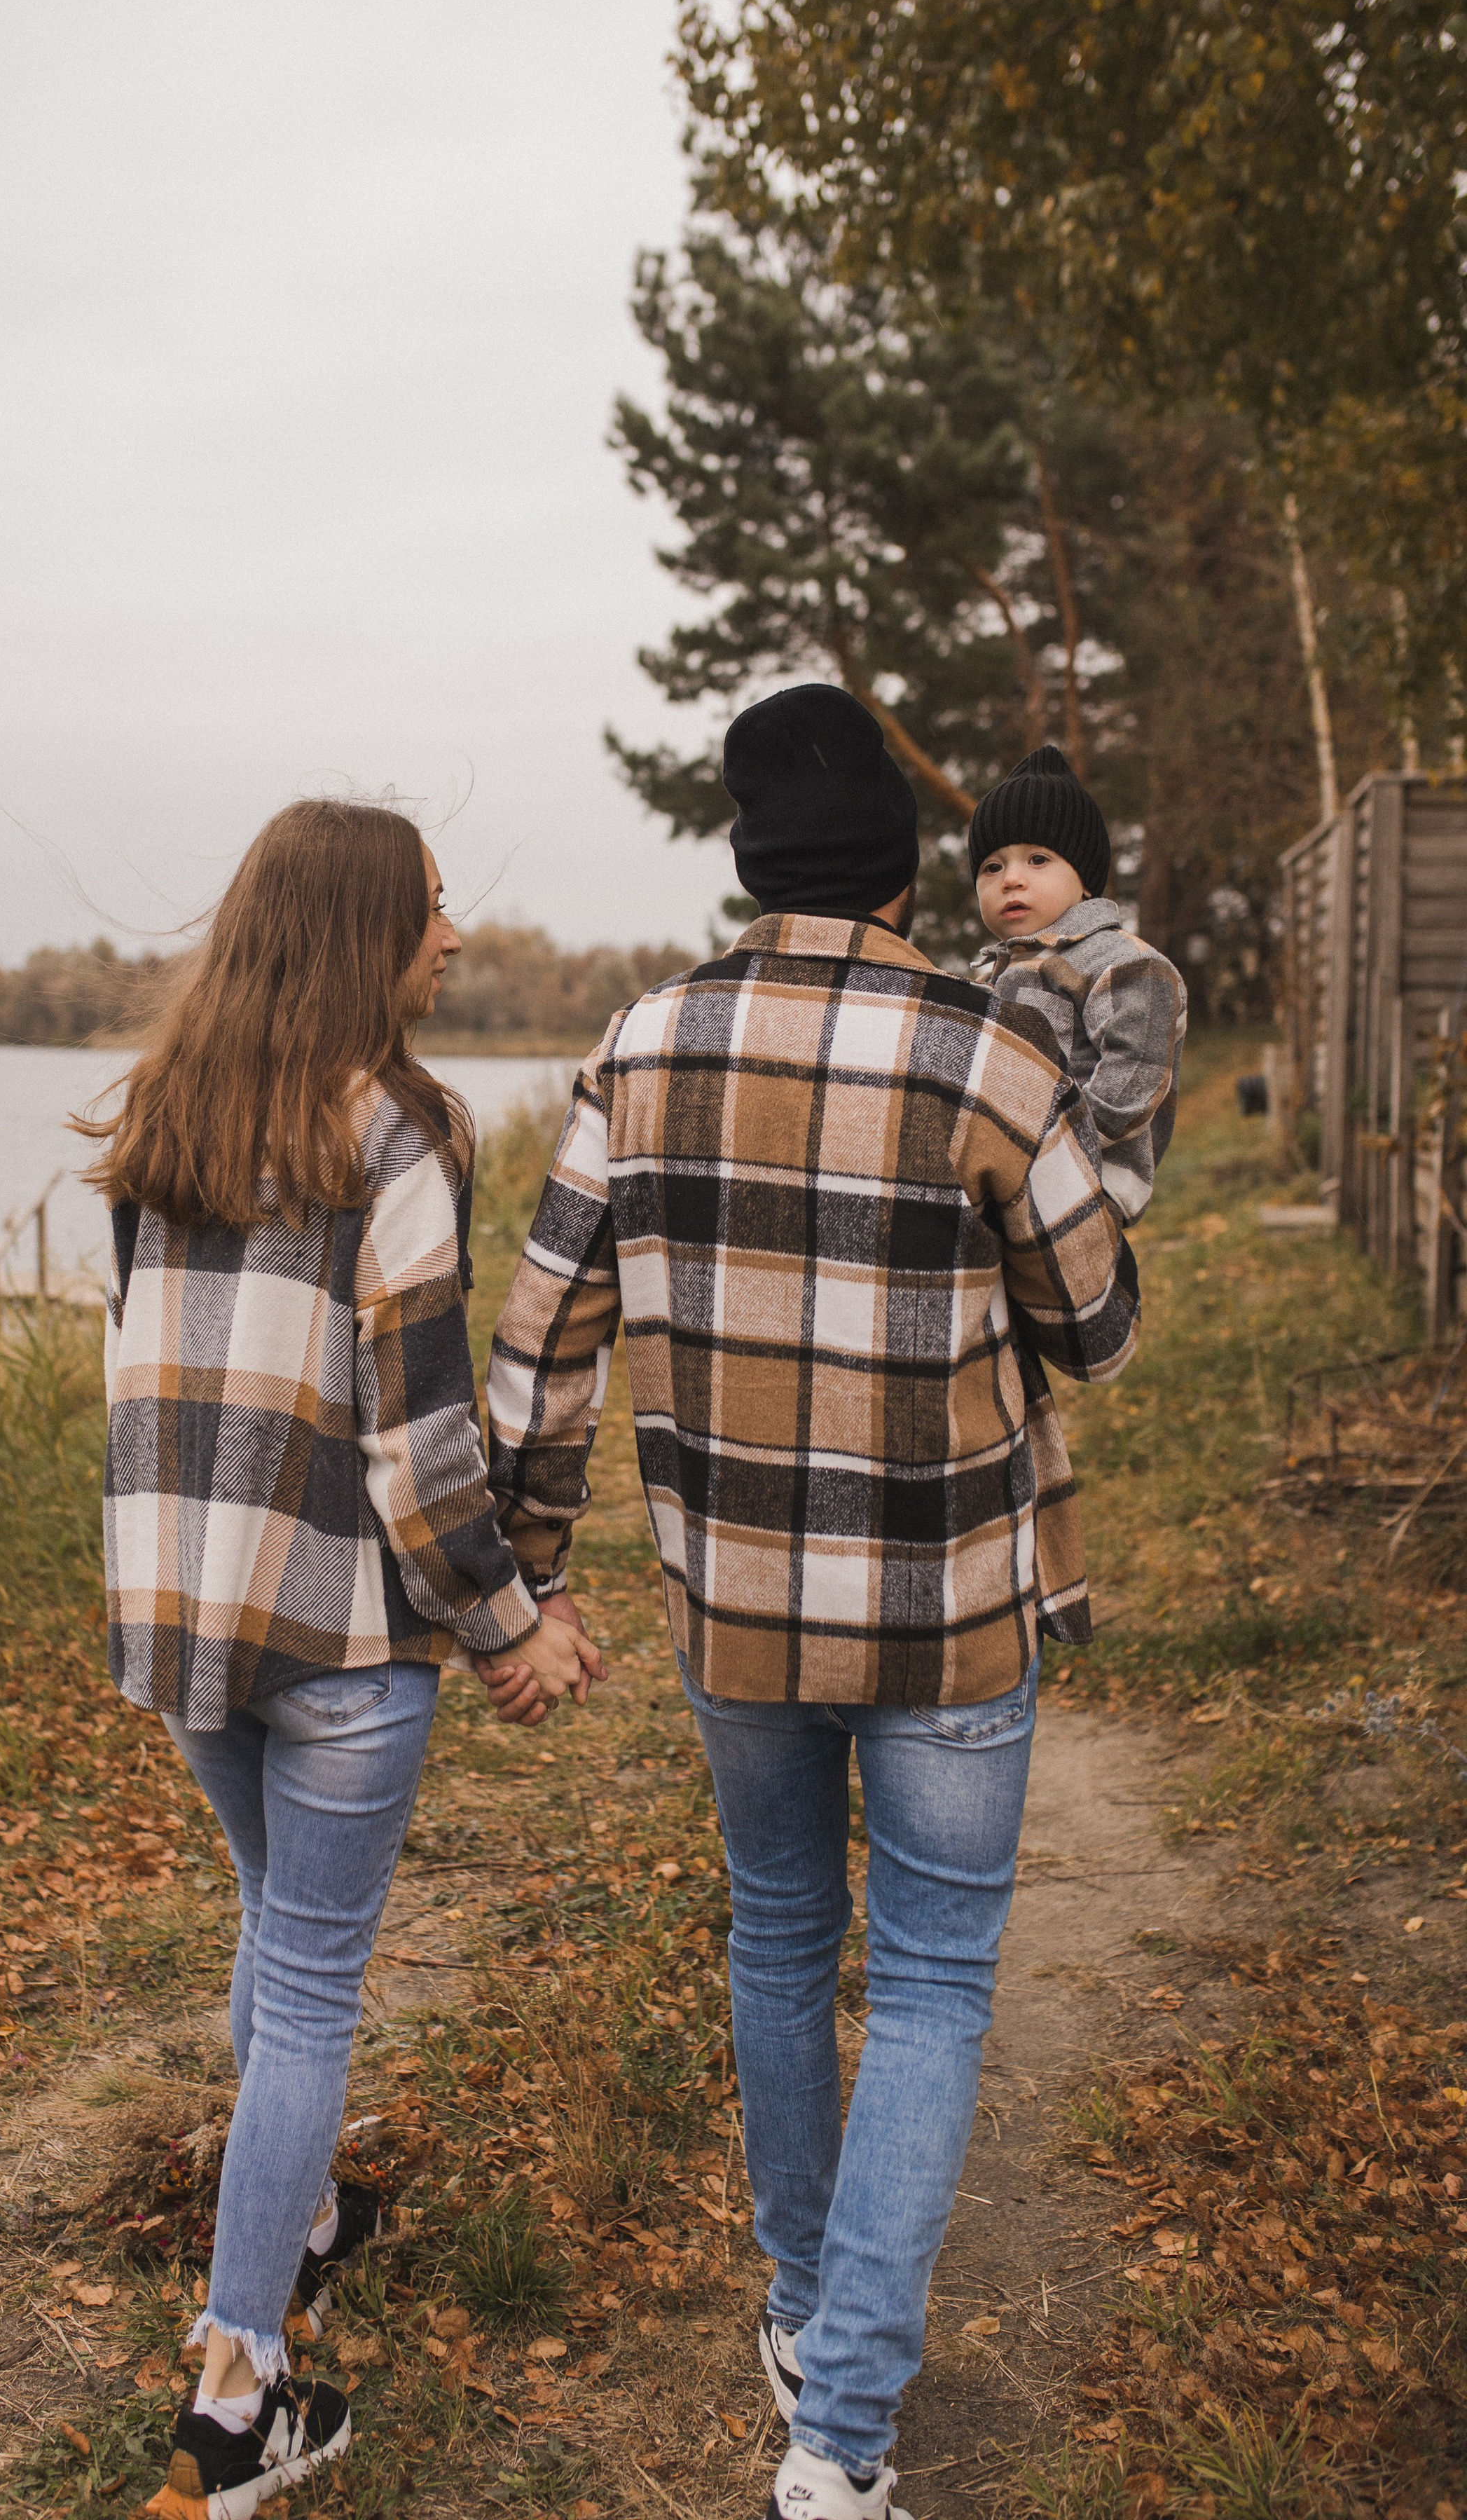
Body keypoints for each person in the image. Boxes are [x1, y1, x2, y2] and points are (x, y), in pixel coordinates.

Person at [485, 685, 1140, 2520]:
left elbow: (539, 1346)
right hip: (947, 1614)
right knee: (927, 1983)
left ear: (748, 857)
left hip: (738, 1609)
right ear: (907, 875)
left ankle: (801, 2314)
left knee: (778, 1937)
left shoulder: (639, 1046)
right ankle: (840, 2440)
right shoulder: (982, 1050)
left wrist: (526, 1577)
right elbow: (1097, 1325)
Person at [81, 798, 602, 2513]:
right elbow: (421, 1438)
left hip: (188, 1616)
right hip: (337, 1637)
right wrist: (510, 1622)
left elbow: (137, 1372)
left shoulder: (163, 1110)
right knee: (307, 1982)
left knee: (272, 1924)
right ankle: (237, 2398)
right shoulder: (398, 1128)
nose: (453, 934)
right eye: (431, 907)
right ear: (366, 928)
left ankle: (297, 2213)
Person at [968, 744, 1187, 1227]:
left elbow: (1133, 1082)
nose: (1011, 879)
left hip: (1084, 1190)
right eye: (992, 867)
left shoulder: (1124, 963)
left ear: (1085, 879)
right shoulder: (989, 978)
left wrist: (1044, 1143)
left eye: (1038, 859)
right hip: (1005, 1182)